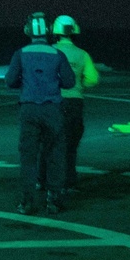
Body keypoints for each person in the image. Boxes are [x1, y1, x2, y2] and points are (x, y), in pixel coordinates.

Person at [5, 11, 75, 215]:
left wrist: (25, 83)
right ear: (48, 30)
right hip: (53, 110)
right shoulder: (57, 54)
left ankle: (26, 201)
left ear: (28, 30)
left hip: (29, 109)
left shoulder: (20, 53)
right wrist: (53, 83)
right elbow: (69, 82)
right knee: (55, 154)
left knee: (28, 157)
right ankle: (54, 199)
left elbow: (10, 81)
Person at [48, 14, 99, 193]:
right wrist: (79, 85)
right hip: (75, 102)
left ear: (54, 32)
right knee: (71, 145)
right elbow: (93, 78)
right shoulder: (82, 54)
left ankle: (47, 180)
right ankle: (69, 181)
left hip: (53, 102)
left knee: (51, 142)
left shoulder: (50, 52)